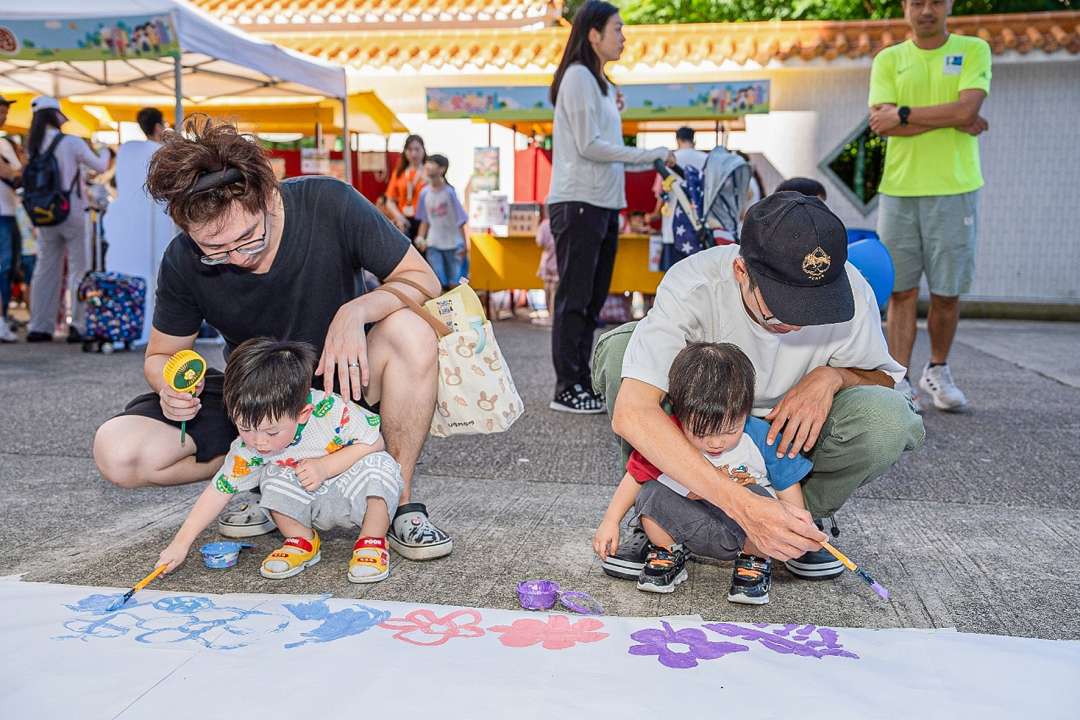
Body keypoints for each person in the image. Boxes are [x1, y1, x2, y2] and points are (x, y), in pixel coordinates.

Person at [92, 116, 452, 562]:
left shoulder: (328, 202)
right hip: (257, 405)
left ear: (266, 194)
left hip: (344, 389)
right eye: (216, 250)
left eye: (248, 238)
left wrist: (358, 310)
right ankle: (262, 476)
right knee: (117, 450)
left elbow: (423, 281)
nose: (238, 258)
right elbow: (163, 354)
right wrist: (170, 386)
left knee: (410, 331)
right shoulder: (184, 260)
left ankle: (398, 503)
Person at [592, 191, 925, 581]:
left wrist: (833, 377)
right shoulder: (693, 283)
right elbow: (633, 413)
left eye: (816, 305)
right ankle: (656, 513)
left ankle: (798, 526)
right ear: (741, 271)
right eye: (784, 305)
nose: (799, 323)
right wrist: (742, 506)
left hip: (789, 432)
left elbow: (883, 377)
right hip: (701, 417)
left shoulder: (853, 289)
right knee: (620, 351)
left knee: (887, 419)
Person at [157, 338, 402, 583]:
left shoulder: (332, 410)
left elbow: (375, 442)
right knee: (271, 475)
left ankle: (372, 540)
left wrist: (326, 467)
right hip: (306, 500)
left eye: (272, 432)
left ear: (303, 414)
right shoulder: (249, 448)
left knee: (382, 466)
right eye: (245, 428)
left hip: (351, 492)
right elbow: (218, 491)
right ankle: (301, 540)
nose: (258, 442)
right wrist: (180, 543)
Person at [594, 342, 811, 605]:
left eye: (730, 430)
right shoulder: (666, 437)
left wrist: (796, 530)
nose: (716, 443)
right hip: (689, 524)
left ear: (747, 410)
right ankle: (667, 551)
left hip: (744, 531)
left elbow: (788, 486)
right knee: (651, 493)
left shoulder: (761, 437)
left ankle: (754, 561)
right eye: (701, 433)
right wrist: (610, 521)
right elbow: (633, 478)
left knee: (759, 497)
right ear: (678, 412)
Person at [546, 0, 672, 414]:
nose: (624, 36)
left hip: (600, 203)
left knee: (593, 298)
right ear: (593, 34)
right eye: (617, 28)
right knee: (576, 298)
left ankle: (581, 380)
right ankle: (567, 386)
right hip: (579, 201)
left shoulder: (599, 83)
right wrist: (646, 154)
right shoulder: (579, 77)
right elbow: (588, 146)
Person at [869, 0, 991, 411]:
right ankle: (901, 381)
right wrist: (952, 117)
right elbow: (880, 123)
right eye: (917, 1)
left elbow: (967, 109)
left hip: (955, 188)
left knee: (947, 291)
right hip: (899, 189)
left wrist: (904, 115)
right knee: (900, 291)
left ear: (948, 5)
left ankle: (937, 370)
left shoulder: (974, 50)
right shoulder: (889, 59)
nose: (926, 10)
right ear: (905, 6)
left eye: (935, 1)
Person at [25, 96, 111, 343]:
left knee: (45, 269)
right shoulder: (71, 142)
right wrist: (104, 149)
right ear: (56, 115)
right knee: (78, 269)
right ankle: (79, 325)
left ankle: (39, 326)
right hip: (72, 211)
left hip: (43, 214)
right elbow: (101, 166)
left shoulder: (33, 144)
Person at [103, 106, 174, 345]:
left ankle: (129, 324)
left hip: (128, 228)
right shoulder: (162, 152)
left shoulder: (126, 151)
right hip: (157, 226)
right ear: (157, 127)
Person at [415, 154, 468, 292]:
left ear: (442, 169)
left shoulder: (450, 192)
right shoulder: (424, 193)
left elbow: (460, 220)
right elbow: (425, 220)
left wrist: (464, 244)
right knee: (437, 281)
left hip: (453, 244)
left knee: (455, 283)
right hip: (433, 244)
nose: (427, 166)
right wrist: (421, 237)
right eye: (427, 163)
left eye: (432, 163)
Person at [650, 126, 706, 243]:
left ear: (678, 140)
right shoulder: (706, 159)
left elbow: (661, 192)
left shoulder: (668, 160)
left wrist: (656, 214)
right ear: (693, 140)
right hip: (701, 223)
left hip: (673, 224)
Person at [0, 95, 25, 343]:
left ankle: (3, 319)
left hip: (8, 211)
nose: (5, 116)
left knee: (8, 269)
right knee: (4, 267)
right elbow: (11, 173)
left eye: (5, 112)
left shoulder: (6, 142)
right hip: (3, 215)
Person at [385, 134, 427, 242]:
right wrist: (399, 217)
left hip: (425, 222)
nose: (414, 153)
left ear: (423, 150)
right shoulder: (399, 173)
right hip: (403, 221)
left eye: (417, 149)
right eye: (410, 149)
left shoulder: (429, 172)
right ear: (405, 152)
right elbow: (389, 200)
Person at [534, 207, 558, 326]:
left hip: (547, 260)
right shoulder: (560, 221)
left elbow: (539, 242)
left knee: (547, 289)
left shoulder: (544, 225)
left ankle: (550, 315)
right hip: (558, 261)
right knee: (555, 290)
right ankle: (553, 316)